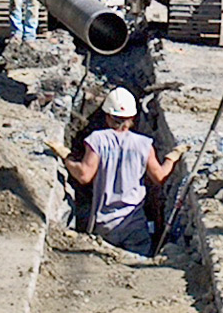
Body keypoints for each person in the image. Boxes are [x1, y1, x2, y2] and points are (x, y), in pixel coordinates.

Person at [45, 87, 187, 256]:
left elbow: (83, 175)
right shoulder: (144, 144)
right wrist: (172, 157)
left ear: (107, 116)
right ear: (133, 117)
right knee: (138, 265)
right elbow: (160, 177)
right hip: (135, 225)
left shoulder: (97, 140)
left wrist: (66, 156)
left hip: (105, 225)